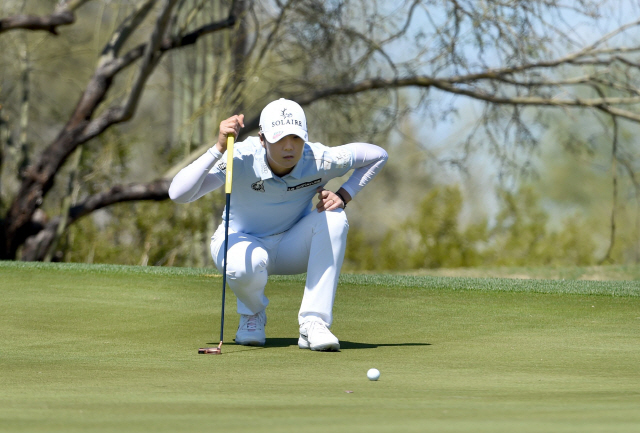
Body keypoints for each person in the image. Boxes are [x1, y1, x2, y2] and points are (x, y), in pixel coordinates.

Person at [169, 98, 388, 351]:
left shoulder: (319, 158)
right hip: (239, 244)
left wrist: (344, 195)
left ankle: (313, 323)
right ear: (262, 139)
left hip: (290, 246)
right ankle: (252, 315)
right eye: (279, 139)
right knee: (242, 265)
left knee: (335, 216)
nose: (289, 147)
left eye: (296, 138)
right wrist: (218, 148)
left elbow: (378, 155)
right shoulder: (239, 156)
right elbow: (179, 194)